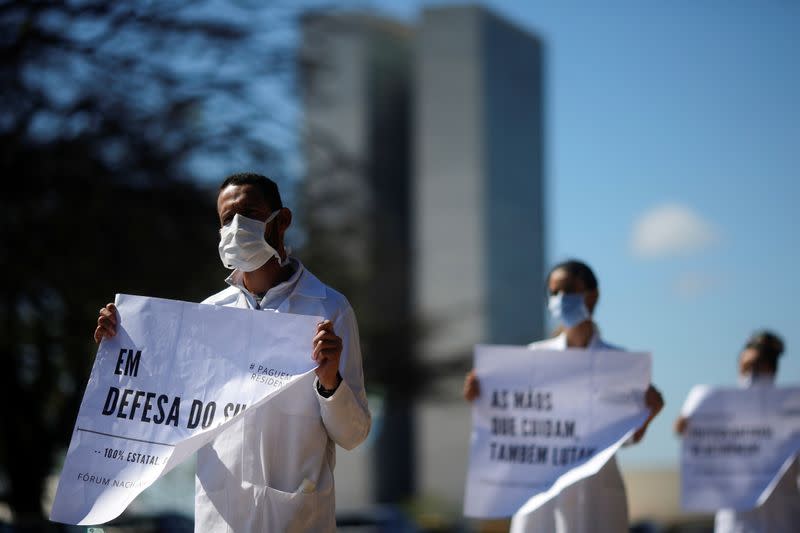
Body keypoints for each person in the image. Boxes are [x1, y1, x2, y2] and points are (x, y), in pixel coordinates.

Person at [94, 172, 371, 532]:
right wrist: (120, 346)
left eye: (249, 213)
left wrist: (331, 382)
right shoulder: (208, 315)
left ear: (282, 221)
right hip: (220, 518)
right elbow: (161, 410)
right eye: (227, 219)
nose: (237, 226)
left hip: (298, 519)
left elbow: (354, 434)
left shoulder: (329, 310)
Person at [463, 259, 664, 533]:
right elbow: (511, 423)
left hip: (595, 492)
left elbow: (629, 438)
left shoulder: (619, 364)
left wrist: (649, 413)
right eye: (553, 293)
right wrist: (481, 396)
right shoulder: (534, 359)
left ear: (592, 296)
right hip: (541, 491)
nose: (560, 299)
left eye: (568, 290)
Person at [675, 330, 800, 533]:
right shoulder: (719, 406)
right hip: (736, 525)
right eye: (748, 366)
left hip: (782, 522)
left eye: (762, 365)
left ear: (773, 368)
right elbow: (682, 429)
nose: (753, 373)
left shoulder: (793, 411)